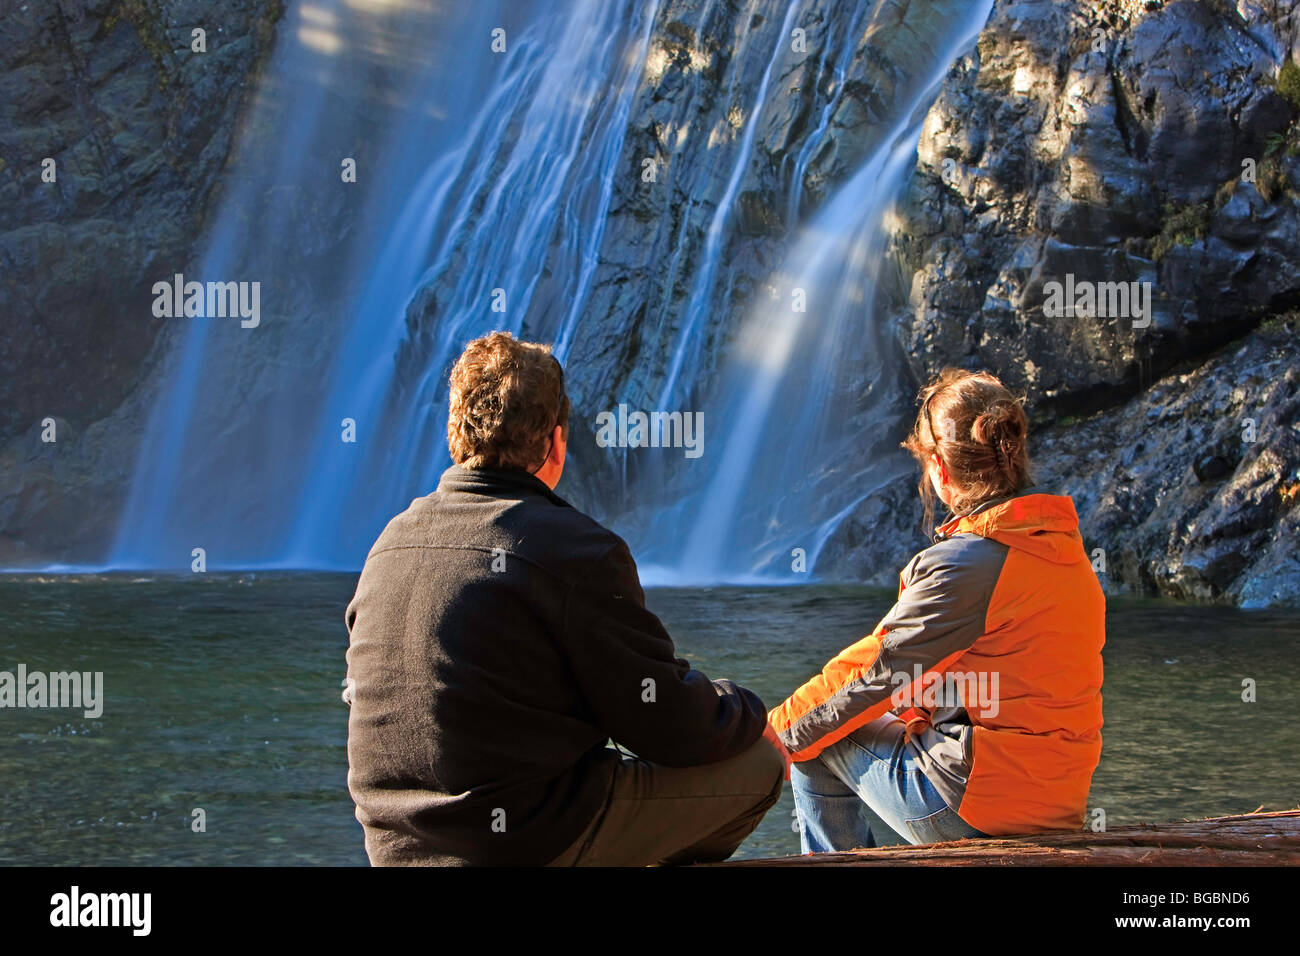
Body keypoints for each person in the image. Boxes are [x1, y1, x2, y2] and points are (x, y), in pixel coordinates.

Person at [344, 330, 787, 866]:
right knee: (760, 763)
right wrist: (744, 709)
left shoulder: (390, 543)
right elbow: (670, 727)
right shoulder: (574, 549)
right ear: (556, 443)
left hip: (394, 847)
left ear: (454, 435)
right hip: (517, 843)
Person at [768, 368, 1105, 852]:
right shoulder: (1062, 549)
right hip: (1058, 799)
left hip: (980, 805)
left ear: (941, 471)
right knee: (845, 720)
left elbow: (877, 671)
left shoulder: (969, 563)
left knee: (817, 735)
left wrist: (774, 732)